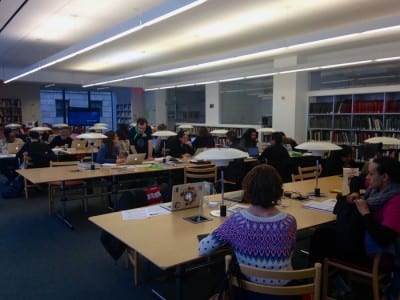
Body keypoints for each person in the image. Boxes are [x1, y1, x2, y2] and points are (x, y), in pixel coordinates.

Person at [310, 157, 400, 298]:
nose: (368, 178)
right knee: (325, 233)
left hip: (378, 256)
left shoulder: (396, 201)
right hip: (365, 241)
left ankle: (320, 286)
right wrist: (355, 192)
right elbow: (356, 179)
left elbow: (383, 238)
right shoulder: (378, 189)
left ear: (385, 177)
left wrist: (365, 214)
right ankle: (334, 282)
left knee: (320, 238)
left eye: (371, 174)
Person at [199, 165, 297, 291]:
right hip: (286, 292)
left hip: (247, 291)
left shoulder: (238, 221)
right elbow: (290, 252)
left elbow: (204, 249)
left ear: (247, 190)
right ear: (279, 190)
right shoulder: (289, 221)